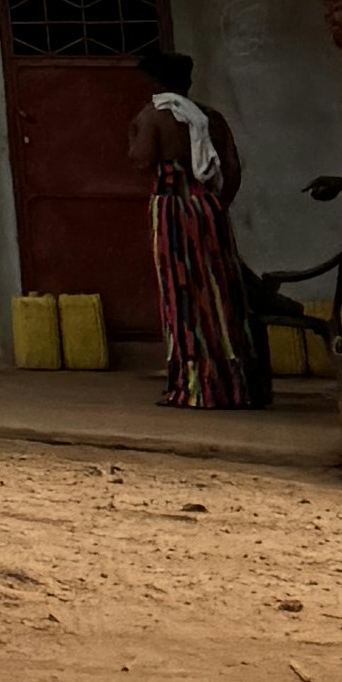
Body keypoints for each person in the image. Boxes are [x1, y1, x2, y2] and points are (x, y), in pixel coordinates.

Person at [126, 46, 256, 411]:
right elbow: (231, 169)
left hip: (171, 207)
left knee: (181, 293)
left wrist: (133, 132)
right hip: (208, 207)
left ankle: (194, 387)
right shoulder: (210, 117)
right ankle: (235, 385)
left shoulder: (154, 116)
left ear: (155, 82)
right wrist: (215, 206)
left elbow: (141, 159)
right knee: (220, 292)